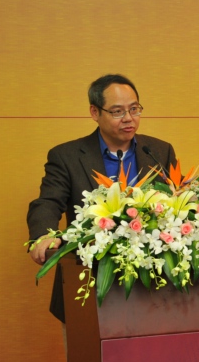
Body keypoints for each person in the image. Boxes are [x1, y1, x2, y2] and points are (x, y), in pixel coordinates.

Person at [27, 74, 177, 322]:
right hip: (88, 279)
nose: (128, 118)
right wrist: (44, 235)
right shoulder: (67, 156)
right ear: (95, 112)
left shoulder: (159, 151)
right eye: (117, 111)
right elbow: (48, 202)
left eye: (134, 109)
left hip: (153, 287)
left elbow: (175, 201)